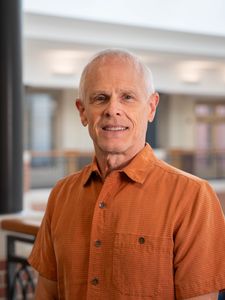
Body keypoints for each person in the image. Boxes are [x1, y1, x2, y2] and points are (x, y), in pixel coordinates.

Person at [28, 49, 225, 300]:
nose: (113, 109)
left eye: (128, 97)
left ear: (151, 107)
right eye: (100, 98)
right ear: (82, 111)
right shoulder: (61, 194)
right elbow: (46, 294)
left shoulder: (194, 197)